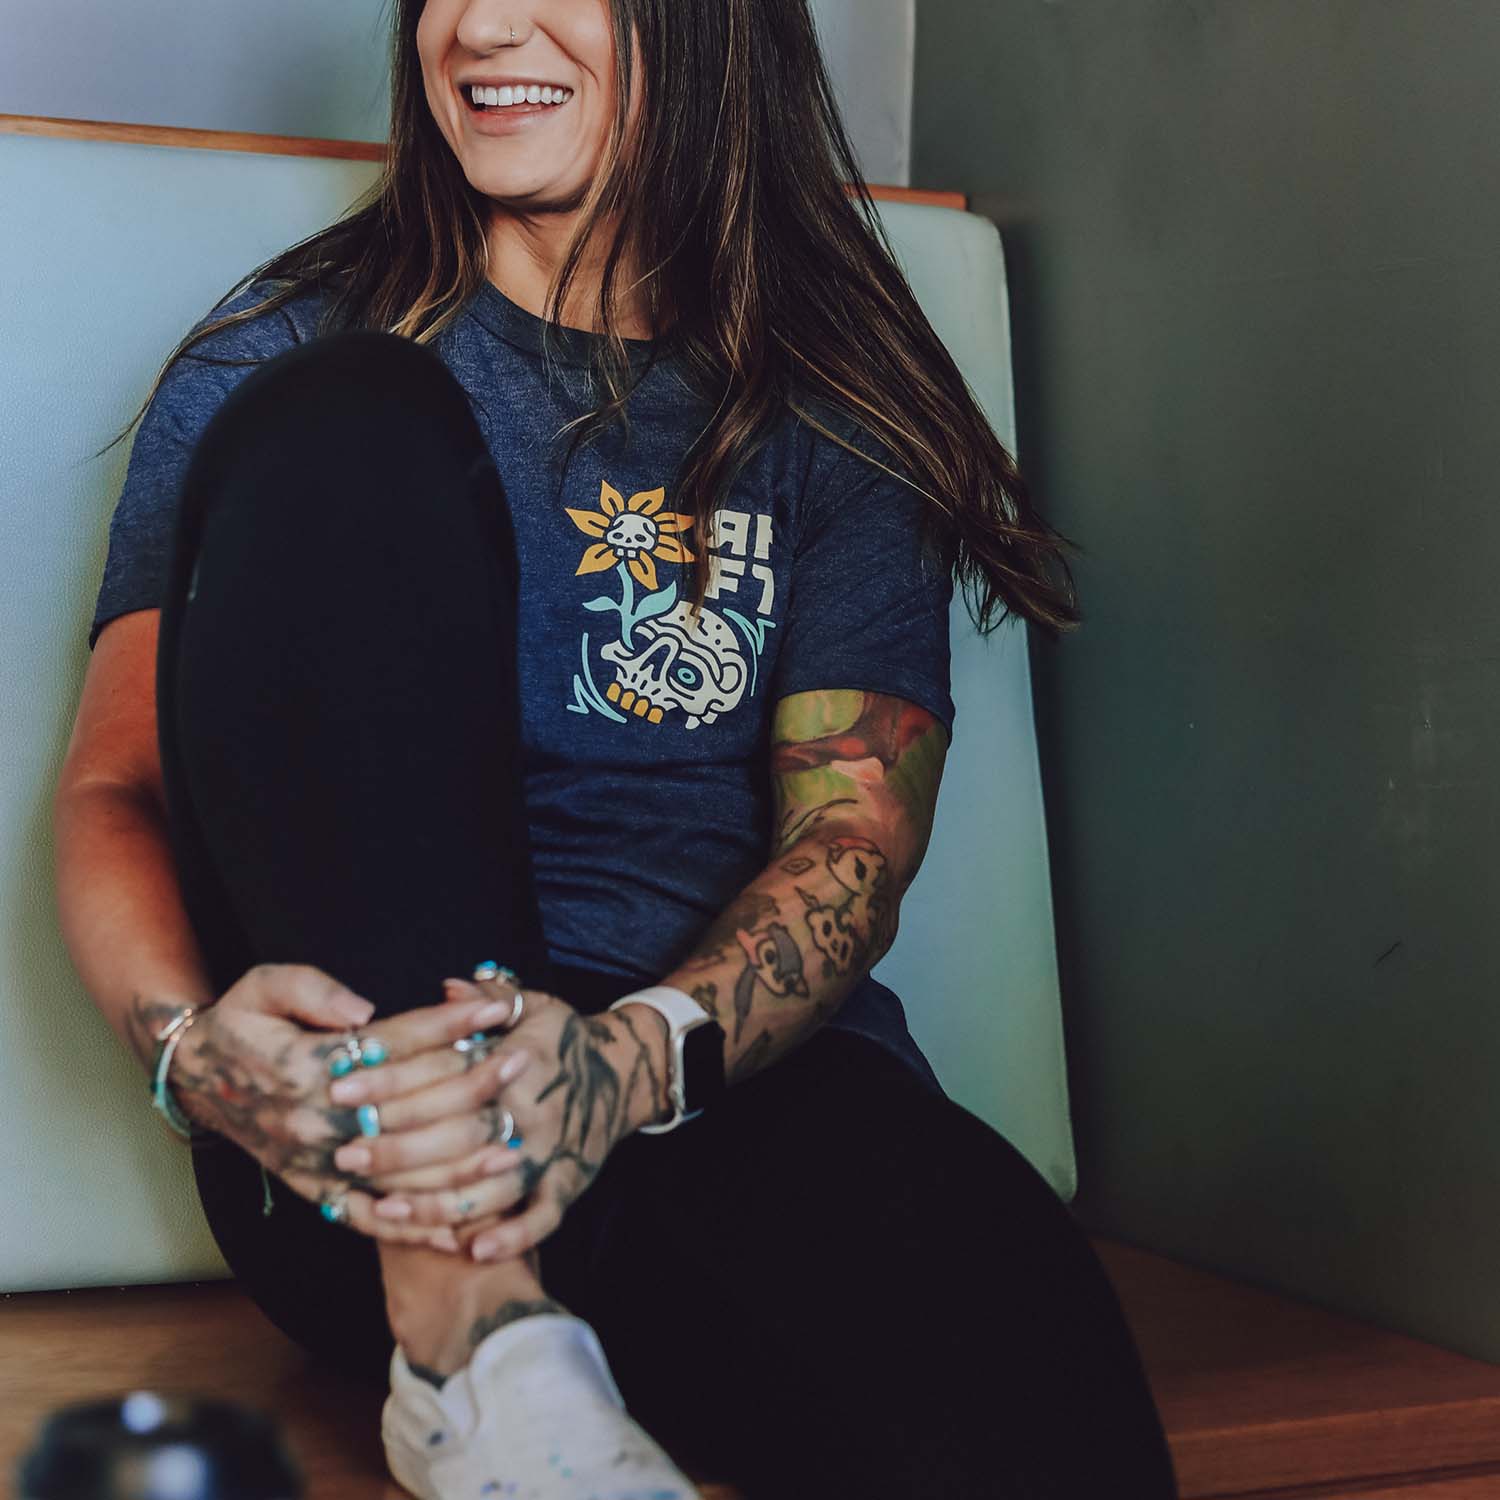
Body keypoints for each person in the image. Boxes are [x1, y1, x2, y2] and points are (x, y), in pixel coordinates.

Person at [51, 2, 1180, 1497]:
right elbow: (117, 787)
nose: (482, 24)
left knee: (1038, 1371)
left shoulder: (829, 396)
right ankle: (474, 1338)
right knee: (344, 417)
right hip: (367, 1137)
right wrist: (196, 1060)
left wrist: (623, 1064)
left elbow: (850, 841)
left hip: (703, 1077)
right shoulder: (285, 351)